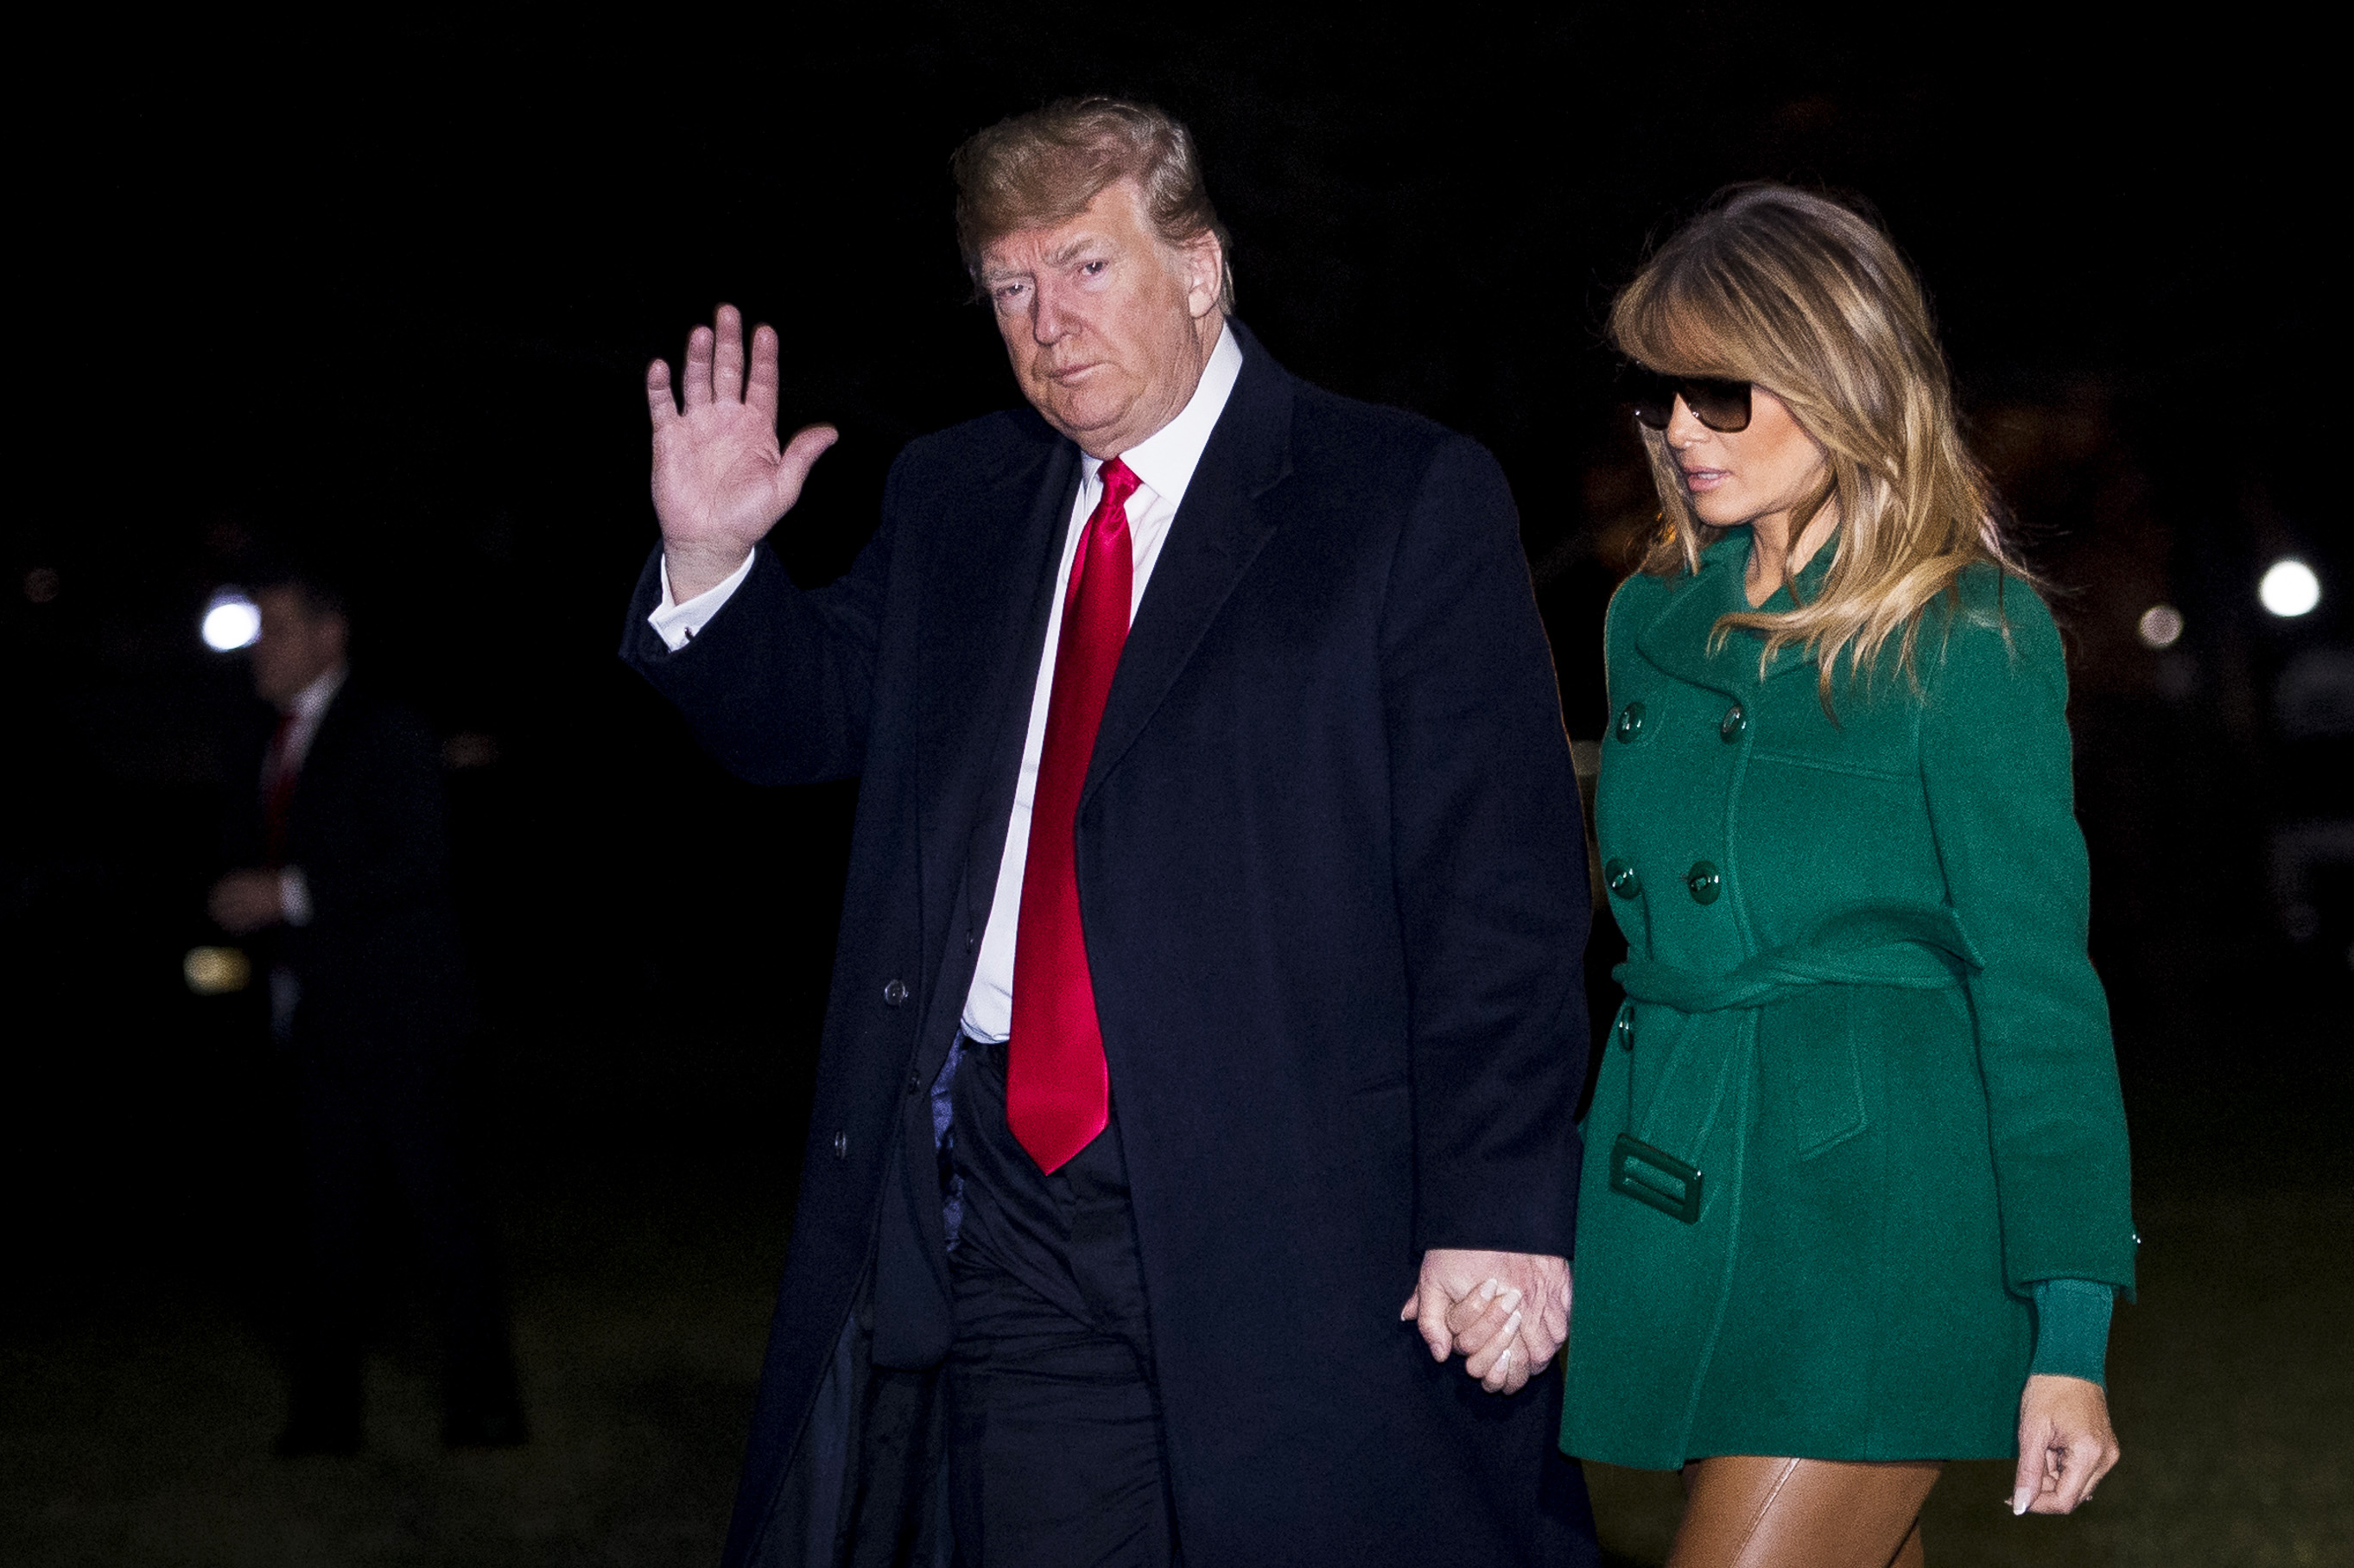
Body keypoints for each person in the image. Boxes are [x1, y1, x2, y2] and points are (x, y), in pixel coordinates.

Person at [622, 98, 1597, 1565]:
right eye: (1011, 287)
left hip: (1306, 1208)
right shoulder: (959, 498)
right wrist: (709, 556)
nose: (1047, 323)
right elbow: (808, 720)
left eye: (1084, 267)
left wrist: (1501, 1205)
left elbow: (1499, 896)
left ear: (1200, 268)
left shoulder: (1391, 499)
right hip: (1019, 1191)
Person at [1539, 184, 2136, 1565]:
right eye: (1660, 392)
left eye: (1721, 393)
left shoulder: (1964, 635)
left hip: (1881, 1209)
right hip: (1686, 1167)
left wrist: (2069, 1325)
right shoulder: (1650, 615)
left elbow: (2040, 988)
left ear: (1840, 380)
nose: (1679, 428)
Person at [209, 573, 524, 1455]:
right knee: (326, 1227)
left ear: (328, 635)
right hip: (313, 1022)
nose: (259, 648)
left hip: (405, 1026)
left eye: (275, 628)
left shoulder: (383, 729)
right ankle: (325, 1413)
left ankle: (486, 1404)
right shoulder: (262, 741)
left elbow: (421, 859)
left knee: (440, 1217)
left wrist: (291, 892)